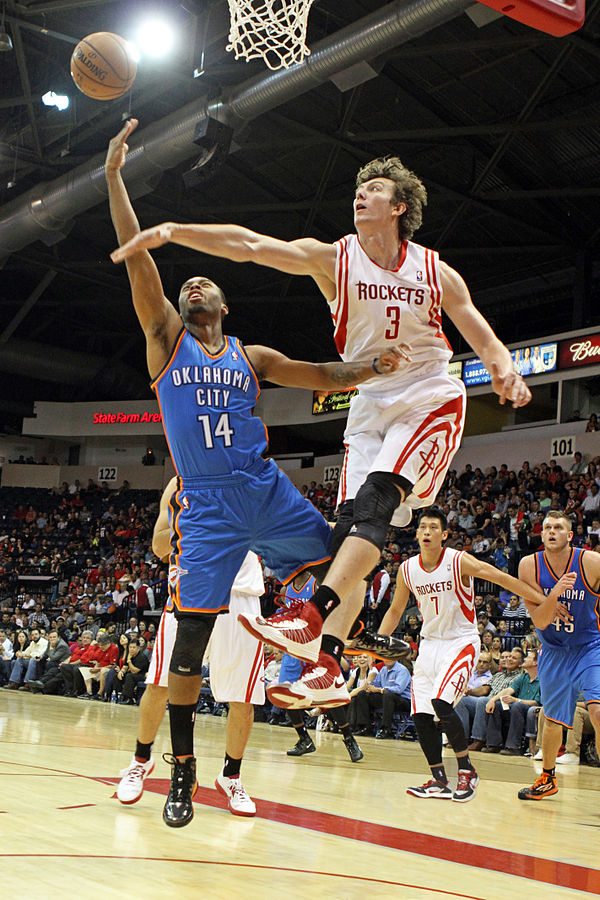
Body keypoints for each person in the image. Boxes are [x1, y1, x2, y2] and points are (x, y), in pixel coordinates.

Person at [111, 147, 533, 714]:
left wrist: (504, 366)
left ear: (398, 206)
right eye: (358, 190)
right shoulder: (333, 258)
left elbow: (475, 326)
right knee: (347, 533)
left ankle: (310, 618)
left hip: (428, 393)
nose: (361, 195)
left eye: (374, 189)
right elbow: (253, 246)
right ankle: (328, 664)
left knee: (379, 499)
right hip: (369, 403)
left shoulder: (435, 269)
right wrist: (174, 231)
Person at [105, 120, 405, 828]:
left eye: (206, 281)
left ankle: (327, 651)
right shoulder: (164, 345)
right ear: (180, 310)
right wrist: (115, 179)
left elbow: (324, 374)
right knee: (188, 650)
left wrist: (370, 367)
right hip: (207, 508)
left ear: (225, 305)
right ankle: (181, 776)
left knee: (351, 558)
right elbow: (136, 261)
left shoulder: (252, 355)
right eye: (187, 285)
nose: (195, 283)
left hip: (265, 490)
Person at [377, 507, 571, 802]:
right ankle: (439, 779)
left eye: (433, 528)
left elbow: (502, 579)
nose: (427, 532)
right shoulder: (407, 569)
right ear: (416, 534)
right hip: (429, 644)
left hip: (460, 641)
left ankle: (466, 770)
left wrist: (545, 600)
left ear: (444, 535)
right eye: (422, 527)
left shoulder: (458, 560)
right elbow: (394, 610)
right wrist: (377, 642)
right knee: (420, 715)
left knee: (442, 703)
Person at [117, 478, 266, 817]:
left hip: (242, 598)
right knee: (159, 685)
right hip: (189, 592)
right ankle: (141, 760)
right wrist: (201, 531)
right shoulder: (179, 481)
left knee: (242, 698)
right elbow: (158, 545)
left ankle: (231, 776)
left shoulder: (254, 476)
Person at [517, 510, 600, 800]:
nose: (551, 531)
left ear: (570, 534)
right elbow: (539, 620)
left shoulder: (590, 561)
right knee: (552, 719)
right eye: (547, 527)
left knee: (598, 710)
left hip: (590, 646)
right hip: (553, 649)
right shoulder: (529, 566)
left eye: (558, 527)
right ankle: (547, 779)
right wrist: (555, 595)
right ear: (542, 534)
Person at [281, 571, 364, 763]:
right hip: (293, 646)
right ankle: (304, 739)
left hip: (316, 645)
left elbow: (333, 611)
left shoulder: (316, 583)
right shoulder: (286, 588)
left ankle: (348, 738)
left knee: (328, 696)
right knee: (286, 694)